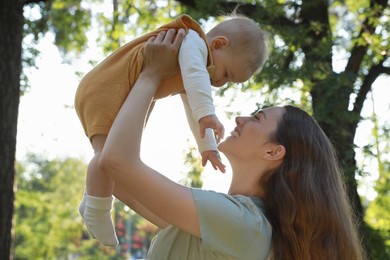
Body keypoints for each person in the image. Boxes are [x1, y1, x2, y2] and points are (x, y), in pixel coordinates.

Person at [96, 29, 365, 259]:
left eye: (257, 118)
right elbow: (112, 170)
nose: (240, 118)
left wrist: (151, 75)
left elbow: (116, 161)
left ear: (273, 152)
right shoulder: (229, 222)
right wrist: (162, 84)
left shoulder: (241, 224)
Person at [75, 13, 269, 246]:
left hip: (112, 89)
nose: (219, 83)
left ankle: (92, 199)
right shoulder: (193, 42)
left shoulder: (192, 58)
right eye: (226, 74)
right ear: (218, 44)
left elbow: (190, 106)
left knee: (108, 154)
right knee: (106, 155)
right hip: (107, 89)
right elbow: (195, 78)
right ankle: (97, 209)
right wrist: (208, 112)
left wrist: (207, 145)